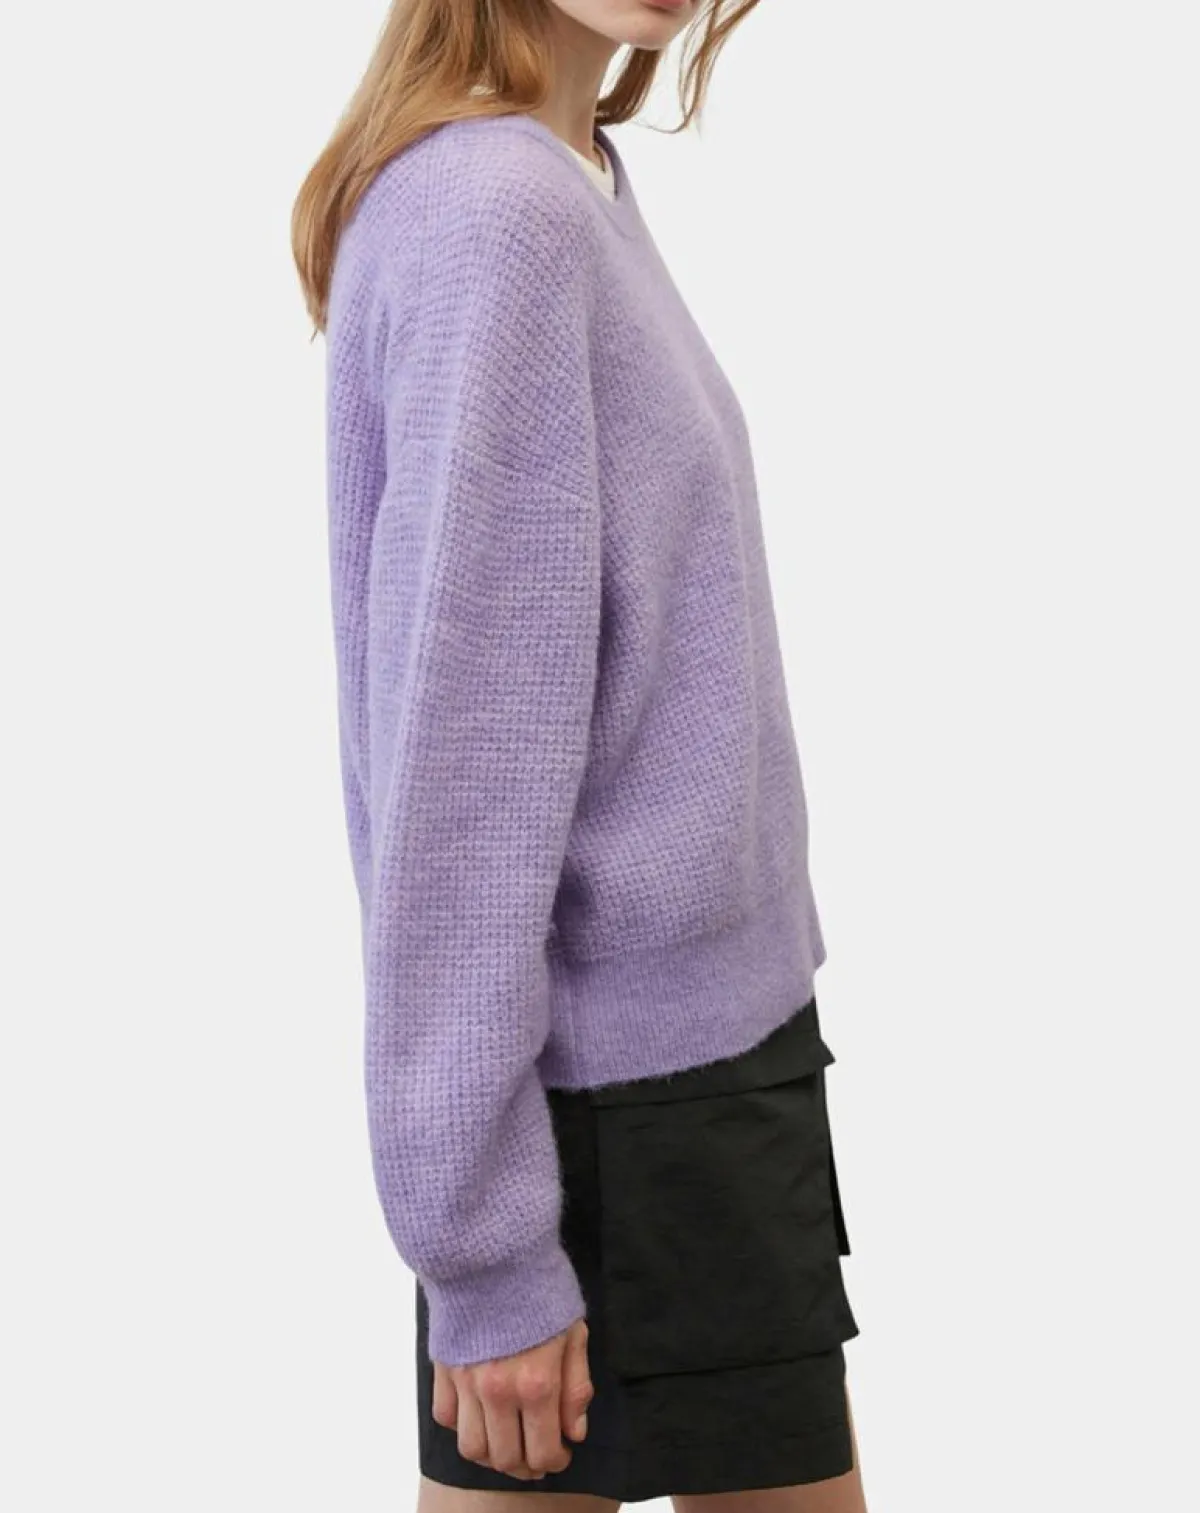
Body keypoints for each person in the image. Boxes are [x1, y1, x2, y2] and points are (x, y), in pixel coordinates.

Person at [292, 2, 868, 1507]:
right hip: (628, 1107)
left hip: (679, 1070)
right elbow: (459, 774)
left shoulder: (563, 173)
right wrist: (483, 1247)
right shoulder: (500, 212)